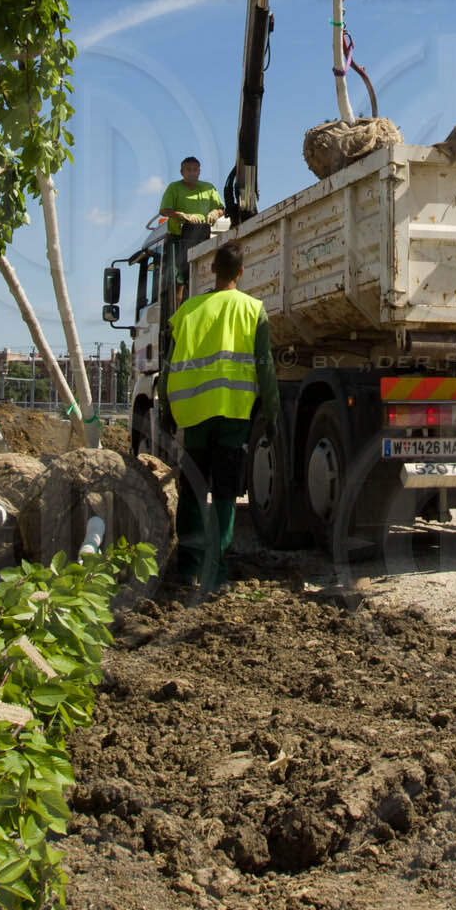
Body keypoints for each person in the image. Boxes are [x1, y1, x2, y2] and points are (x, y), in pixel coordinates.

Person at [165, 242, 273, 592]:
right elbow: (266, 368)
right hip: (233, 414)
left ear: (212, 269)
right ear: (241, 272)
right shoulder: (253, 310)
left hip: (194, 414)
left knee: (193, 490)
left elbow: (168, 368)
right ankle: (216, 571)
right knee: (225, 492)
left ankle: (188, 566)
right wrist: (272, 414)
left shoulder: (187, 312)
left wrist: (166, 411)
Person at [156, 156, 222, 292]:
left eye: (195, 170)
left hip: (203, 238)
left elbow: (221, 209)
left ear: (199, 171)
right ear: (182, 172)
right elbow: (163, 210)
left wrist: (216, 212)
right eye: (188, 170)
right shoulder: (174, 188)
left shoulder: (208, 188)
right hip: (179, 239)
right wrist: (182, 215)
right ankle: (178, 300)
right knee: (178, 278)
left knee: (203, 272)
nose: (192, 172)